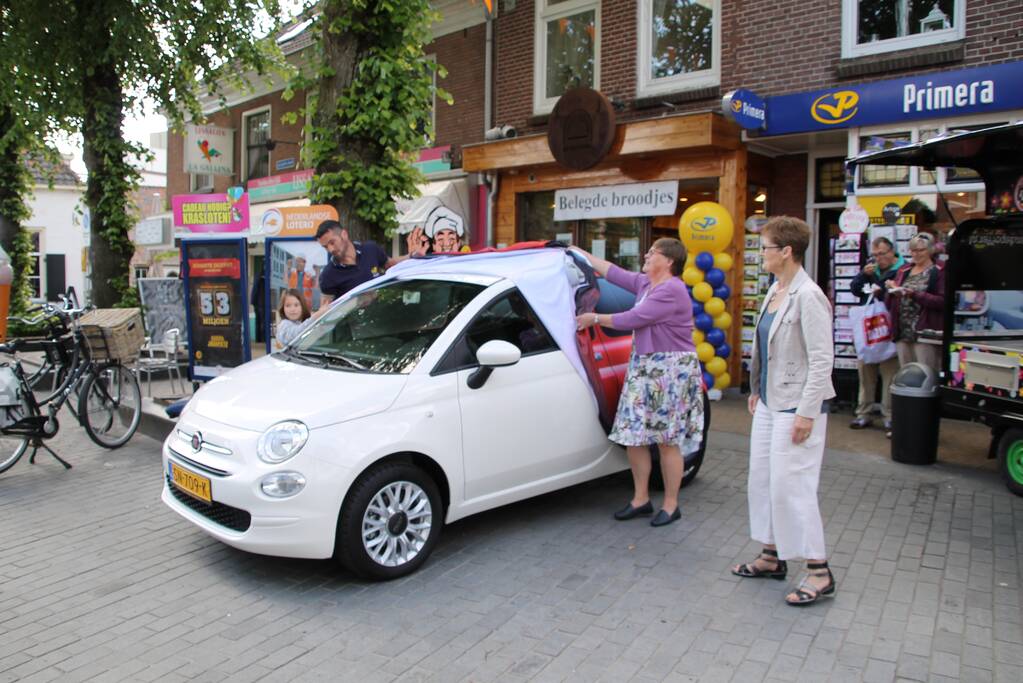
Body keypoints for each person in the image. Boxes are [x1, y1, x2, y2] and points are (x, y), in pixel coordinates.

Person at [731, 216, 837, 606]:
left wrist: (807, 413)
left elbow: (822, 359)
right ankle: (771, 555)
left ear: (786, 251)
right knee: (763, 479)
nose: (762, 254)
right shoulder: (776, 290)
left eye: (766, 248)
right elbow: (765, 346)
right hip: (770, 401)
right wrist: (756, 387)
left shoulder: (809, 296)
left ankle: (819, 570)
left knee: (793, 486)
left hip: (796, 405)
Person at [572, 238, 700, 528]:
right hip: (644, 367)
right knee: (633, 436)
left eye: (653, 252)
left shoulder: (672, 289)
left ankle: (671, 505)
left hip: (670, 371)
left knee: (667, 441)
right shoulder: (645, 283)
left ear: (668, 261)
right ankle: (640, 499)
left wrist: (593, 318)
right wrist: (576, 253)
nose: (646, 254)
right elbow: (611, 271)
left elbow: (634, 318)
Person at [848, 236, 902, 431]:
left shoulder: (902, 270)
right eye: (875, 255)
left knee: (890, 375)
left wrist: (885, 290)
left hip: (889, 331)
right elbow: (855, 289)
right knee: (866, 374)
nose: (879, 258)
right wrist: (863, 275)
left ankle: (890, 415)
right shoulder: (871, 268)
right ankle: (864, 413)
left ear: (892, 252)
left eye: (882, 254)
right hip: (868, 332)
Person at [886, 232, 944, 371]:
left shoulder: (939, 271)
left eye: (921, 250)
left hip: (925, 334)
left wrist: (915, 294)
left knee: (926, 374)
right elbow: (890, 303)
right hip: (902, 333)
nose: (916, 254)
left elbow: (942, 301)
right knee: (906, 375)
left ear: (930, 250)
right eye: (913, 250)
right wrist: (892, 291)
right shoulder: (904, 270)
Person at [316, 220, 404, 308]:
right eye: (325, 247)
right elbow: (325, 311)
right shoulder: (328, 275)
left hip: (383, 314)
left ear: (344, 234)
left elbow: (391, 264)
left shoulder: (370, 249)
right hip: (354, 320)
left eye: (332, 242)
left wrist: (412, 255)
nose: (331, 249)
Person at [250, 271, 266, 344]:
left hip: (257, 302)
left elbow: (254, 290)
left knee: (259, 322)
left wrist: (253, 301)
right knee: (262, 322)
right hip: (261, 303)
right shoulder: (263, 277)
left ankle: (259, 339)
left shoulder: (258, 275)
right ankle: (262, 339)